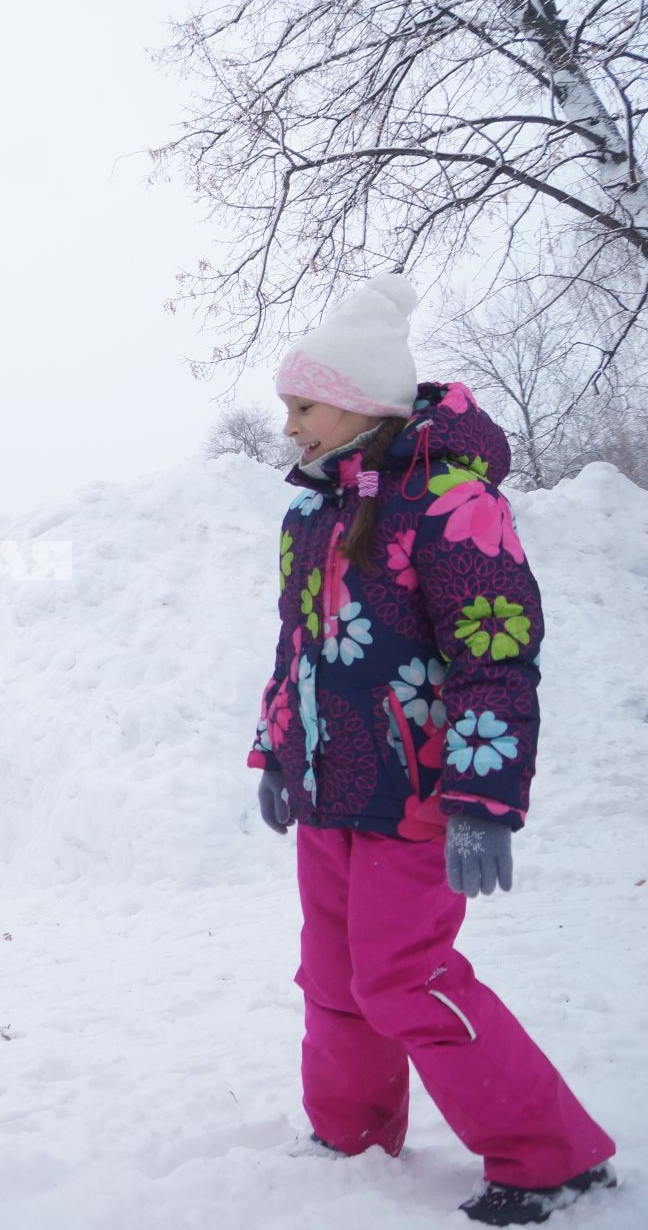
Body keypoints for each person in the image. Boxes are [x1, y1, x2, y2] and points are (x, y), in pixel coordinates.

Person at [249, 275, 616, 1225]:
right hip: (332, 791)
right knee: (331, 979)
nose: (290, 425)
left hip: (416, 796)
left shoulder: (455, 507)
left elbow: (498, 658)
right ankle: (352, 1132)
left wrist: (483, 799)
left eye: (303, 405)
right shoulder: (310, 514)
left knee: (402, 978)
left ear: (361, 402)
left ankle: (551, 1156)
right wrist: (277, 749)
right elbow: (300, 645)